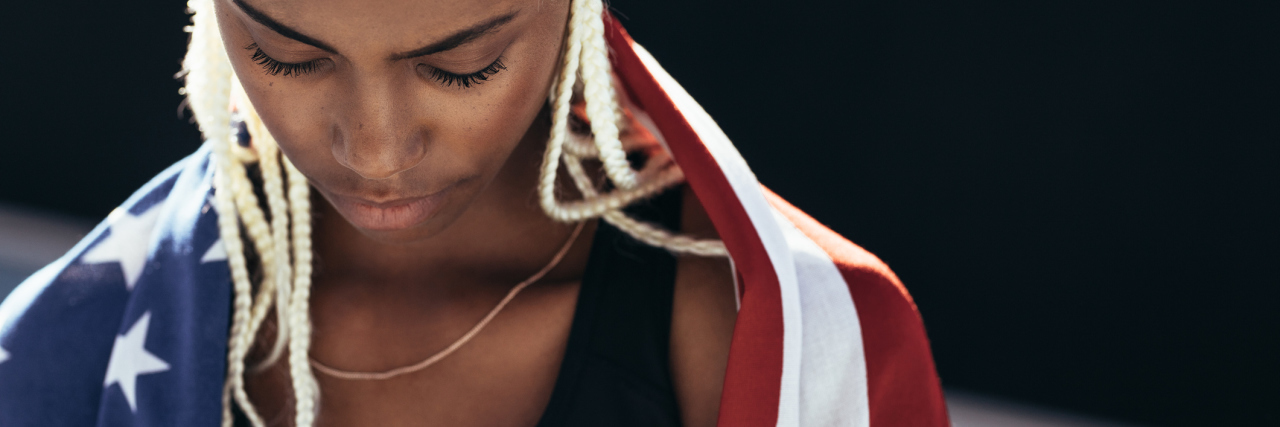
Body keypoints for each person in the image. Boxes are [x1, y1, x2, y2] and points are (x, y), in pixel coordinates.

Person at [0, 0, 948, 425]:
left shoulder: (762, 328)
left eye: (461, 65)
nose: (375, 151)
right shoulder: (69, 340)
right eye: (289, 56)